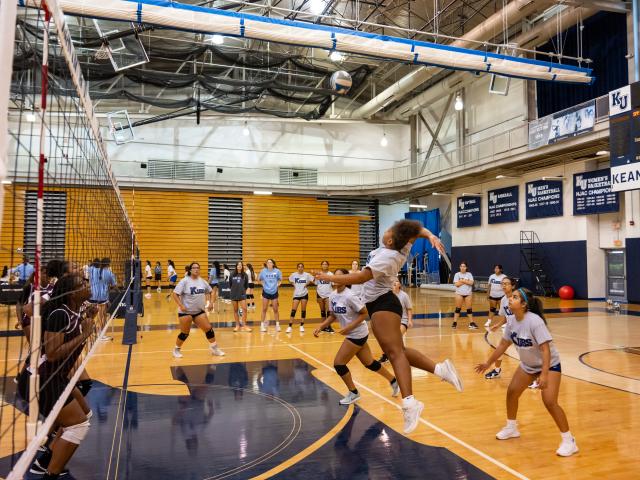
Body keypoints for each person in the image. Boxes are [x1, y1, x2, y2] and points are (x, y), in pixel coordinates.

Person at [315, 219, 463, 434]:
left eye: (388, 231)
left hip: (384, 303)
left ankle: (410, 403)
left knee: (394, 353)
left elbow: (361, 277)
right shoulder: (400, 245)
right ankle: (441, 370)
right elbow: (415, 229)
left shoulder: (388, 256)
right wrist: (430, 235)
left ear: (391, 239)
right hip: (379, 304)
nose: (386, 231)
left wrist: (328, 277)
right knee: (398, 351)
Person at [475, 287, 578, 457]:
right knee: (512, 392)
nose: (510, 298)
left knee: (549, 401)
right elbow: (502, 345)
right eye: (511, 296)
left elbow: (546, 350)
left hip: (549, 364)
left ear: (523, 304)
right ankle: (511, 427)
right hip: (528, 365)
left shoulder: (534, 321)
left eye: (514, 297)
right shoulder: (511, 320)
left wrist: (544, 375)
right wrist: (488, 363)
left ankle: (569, 441)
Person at [17, 273, 96, 479]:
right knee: (78, 425)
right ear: (71, 293)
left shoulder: (74, 309)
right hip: (41, 381)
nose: (87, 285)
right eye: (82, 283)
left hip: (54, 377)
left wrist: (89, 318)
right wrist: (84, 334)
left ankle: (44, 463)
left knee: (84, 415)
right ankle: (49, 473)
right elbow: (52, 354)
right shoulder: (60, 313)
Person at [314, 268, 400, 405]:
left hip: (357, 333)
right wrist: (321, 326)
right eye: (335, 276)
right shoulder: (332, 296)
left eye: (340, 277)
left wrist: (348, 327)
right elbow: (333, 315)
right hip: (353, 333)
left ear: (346, 279)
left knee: (339, 364)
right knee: (369, 363)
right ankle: (394, 381)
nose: (336, 279)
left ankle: (354, 393)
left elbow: (364, 313)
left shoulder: (350, 296)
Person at [171, 262, 224, 358]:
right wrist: (180, 305)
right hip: (185, 312)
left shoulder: (202, 281)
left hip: (199, 311)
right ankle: (176, 349)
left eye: (198, 268)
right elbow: (175, 294)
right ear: (190, 270)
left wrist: (211, 303)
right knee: (184, 333)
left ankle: (214, 348)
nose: (196, 269)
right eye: (194, 268)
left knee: (208, 329)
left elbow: (212, 292)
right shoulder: (184, 281)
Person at [484, 276, 517, 380]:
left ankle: (536, 377)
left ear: (513, 286)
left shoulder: (518, 298)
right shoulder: (503, 300)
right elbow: (507, 317)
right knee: (499, 349)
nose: (504, 285)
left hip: (522, 329)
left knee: (528, 353)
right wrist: (497, 325)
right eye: (502, 283)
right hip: (510, 329)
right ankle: (497, 371)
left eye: (506, 283)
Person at [379, 279, 413, 363]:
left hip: (403, 321)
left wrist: (410, 320)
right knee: (386, 339)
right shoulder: (388, 296)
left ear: (399, 284)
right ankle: (389, 355)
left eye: (397, 281)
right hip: (391, 321)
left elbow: (409, 309)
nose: (394, 282)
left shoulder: (404, 295)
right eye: (393, 281)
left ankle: (390, 355)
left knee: (395, 337)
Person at [88, 258, 116, 336]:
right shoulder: (109, 273)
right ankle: (102, 334)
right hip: (102, 297)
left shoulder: (91, 270)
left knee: (91, 314)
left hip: (92, 296)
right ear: (108, 264)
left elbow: (88, 267)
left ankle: (89, 331)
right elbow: (114, 285)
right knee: (102, 315)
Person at [287, 263, 314, 333]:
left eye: (301, 267)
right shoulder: (294, 275)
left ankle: (301, 325)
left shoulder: (307, 275)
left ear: (303, 268)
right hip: (296, 294)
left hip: (304, 294)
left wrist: (307, 283)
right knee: (293, 310)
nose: (300, 268)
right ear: (297, 268)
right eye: (299, 267)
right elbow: (289, 280)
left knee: (303, 310)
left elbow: (313, 279)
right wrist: (294, 284)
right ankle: (290, 326)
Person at [258, 259, 282, 332]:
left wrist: (278, 284)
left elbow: (280, 279)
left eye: (270, 262)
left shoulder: (277, 271)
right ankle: (262, 325)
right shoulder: (263, 271)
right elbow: (258, 279)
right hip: (266, 292)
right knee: (264, 309)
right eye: (268, 262)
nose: (269, 263)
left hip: (274, 292)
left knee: (275, 309)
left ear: (273, 264)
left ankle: (277, 325)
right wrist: (263, 285)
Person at [451, 261, 477, 329]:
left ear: (466, 267)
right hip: (459, 294)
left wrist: (462, 281)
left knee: (469, 309)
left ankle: (471, 323)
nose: (462, 268)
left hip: (468, 294)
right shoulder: (457, 274)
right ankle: (454, 322)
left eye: (464, 266)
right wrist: (465, 281)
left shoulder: (469, 274)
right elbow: (456, 284)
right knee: (458, 309)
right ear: (459, 267)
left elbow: (471, 283)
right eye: (461, 266)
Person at [230, 261, 251, 332]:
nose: (239, 266)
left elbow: (246, 285)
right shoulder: (232, 274)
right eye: (238, 265)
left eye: (240, 265)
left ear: (242, 266)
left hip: (242, 294)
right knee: (235, 310)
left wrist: (242, 291)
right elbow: (230, 284)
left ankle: (244, 325)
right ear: (236, 266)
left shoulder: (245, 275)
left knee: (244, 309)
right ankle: (237, 325)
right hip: (234, 294)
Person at [315, 260, 335, 333]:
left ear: (328, 265)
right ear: (321, 266)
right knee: (322, 311)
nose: (324, 265)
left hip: (328, 294)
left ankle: (329, 326)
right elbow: (317, 285)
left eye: (326, 264)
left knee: (329, 311)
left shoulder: (331, 274)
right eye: (323, 264)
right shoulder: (318, 274)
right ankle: (323, 326)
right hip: (319, 294)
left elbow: (333, 285)